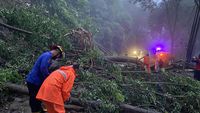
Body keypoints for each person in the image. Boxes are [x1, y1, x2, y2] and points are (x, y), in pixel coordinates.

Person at [26, 45, 65, 113]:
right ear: (57, 52)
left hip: (37, 81)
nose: (57, 57)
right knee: (33, 98)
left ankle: (39, 109)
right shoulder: (47, 56)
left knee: (37, 97)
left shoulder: (47, 56)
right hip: (33, 81)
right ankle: (35, 110)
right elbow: (43, 68)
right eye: (58, 55)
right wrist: (48, 76)